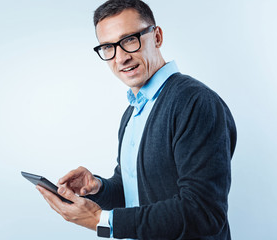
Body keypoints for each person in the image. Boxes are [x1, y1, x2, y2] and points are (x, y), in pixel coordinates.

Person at [36, 0, 237, 239]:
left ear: (157, 36)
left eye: (130, 40)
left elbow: (204, 213)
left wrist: (98, 220)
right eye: (108, 47)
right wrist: (98, 187)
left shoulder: (194, 102)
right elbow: (133, 194)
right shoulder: (133, 111)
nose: (120, 58)